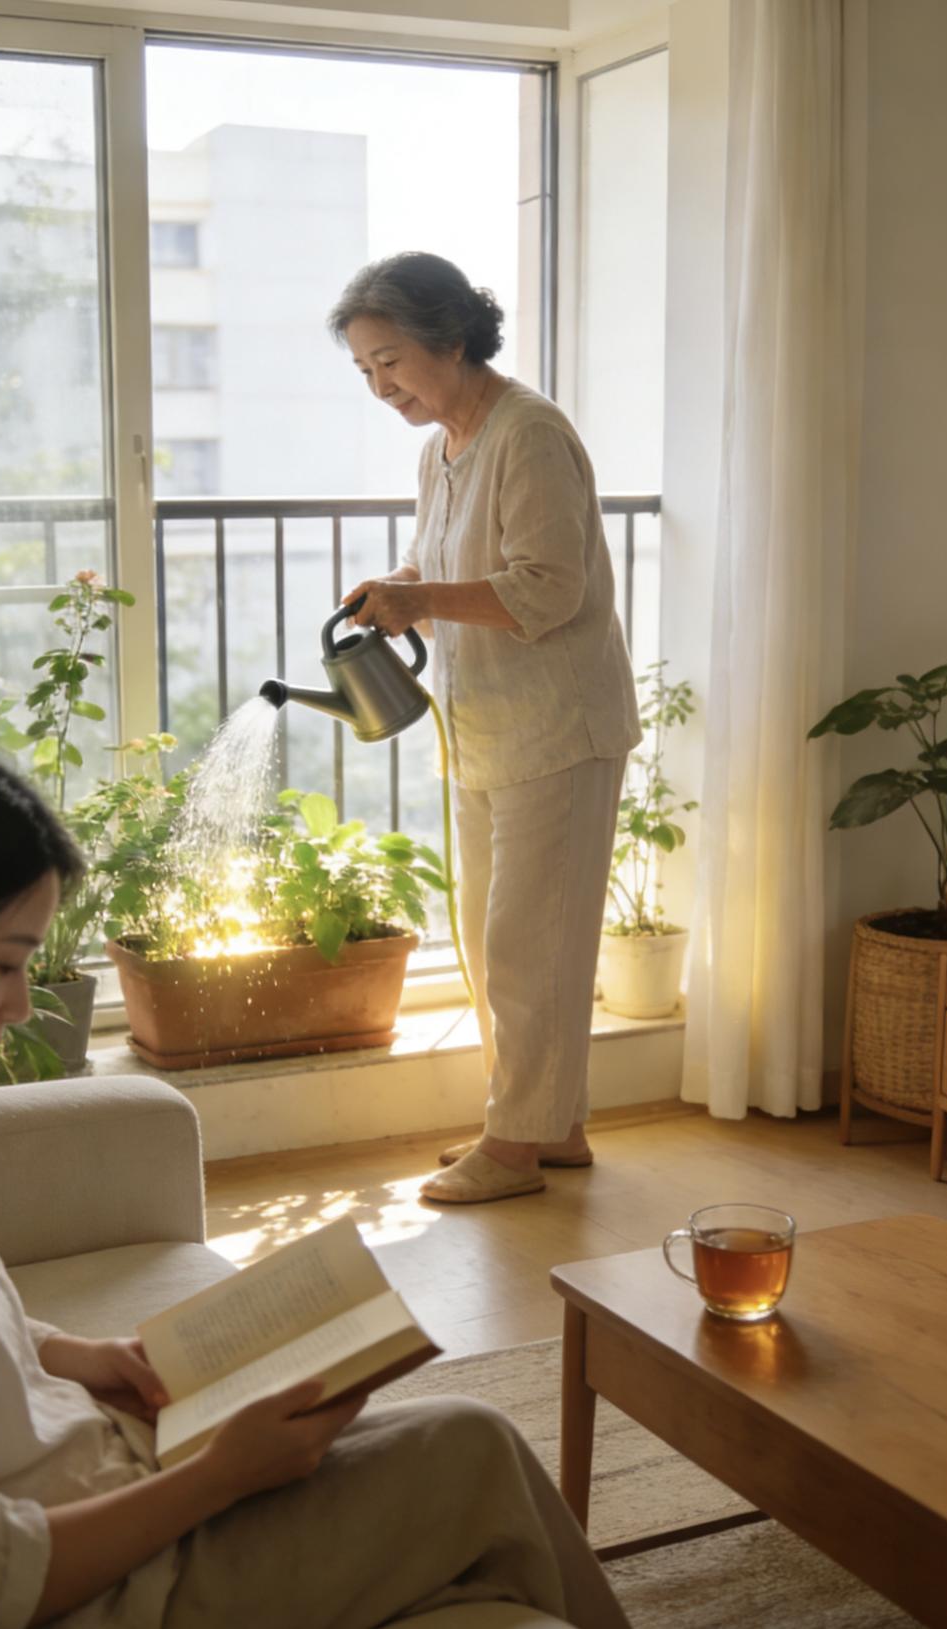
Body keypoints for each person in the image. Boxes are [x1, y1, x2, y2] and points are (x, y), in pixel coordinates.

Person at [0, 734, 630, 1629]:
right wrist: (222, 1475)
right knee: (472, 1452)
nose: (21, 1005)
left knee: (457, 1450)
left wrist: (79, 1354)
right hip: (123, 1587)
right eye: (5, 962)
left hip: (116, 1469)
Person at [330, 253, 642, 1205]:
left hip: (559, 728)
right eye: (365, 370)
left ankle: (513, 1147)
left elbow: (548, 589)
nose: (380, 387)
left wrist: (422, 597)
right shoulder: (441, 450)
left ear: (452, 338)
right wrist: (396, 589)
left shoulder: (529, 434)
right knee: (493, 937)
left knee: (528, 947)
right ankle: (554, 1127)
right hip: (485, 730)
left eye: (391, 362)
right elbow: (435, 565)